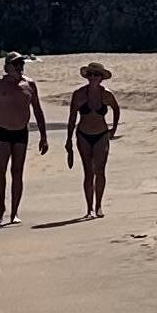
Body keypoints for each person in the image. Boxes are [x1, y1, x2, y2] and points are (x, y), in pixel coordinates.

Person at [0, 53, 49, 223]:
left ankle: (14, 212)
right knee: (0, 170)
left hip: (21, 132)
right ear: (6, 67)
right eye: (15, 64)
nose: (19, 66)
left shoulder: (29, 84)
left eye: (20, 64)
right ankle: (1, 205)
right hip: (2, 131)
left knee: (17, 172)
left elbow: (38, 111)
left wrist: (43, 136)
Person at [65, 61, 121, 218]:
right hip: (83, 134)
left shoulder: (107, 94)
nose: (93, 77)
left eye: (96, 74)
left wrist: (114, 129)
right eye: (90, 74)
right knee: (88, 172)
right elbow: (72, 117)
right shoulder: (79, 94)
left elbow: (116, 109)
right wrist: (68, 139)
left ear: (101, 78)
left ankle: (99, 206)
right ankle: (89, 208)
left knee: (100, 171)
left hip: (101, 134)